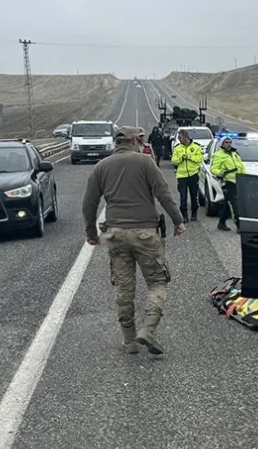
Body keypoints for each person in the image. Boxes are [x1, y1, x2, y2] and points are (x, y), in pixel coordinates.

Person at [82, 126, 186, 355]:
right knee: (157, 282)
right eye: (140, 140)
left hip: (116, 234)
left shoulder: (102, 167)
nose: (142, 143)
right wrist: (178, 221)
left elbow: (89, 202)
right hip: (145, 233)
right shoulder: (145, 162)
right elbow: (163, 193)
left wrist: (91, 232)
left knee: (124, 287)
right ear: (133, 141)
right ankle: (148, 330)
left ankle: (129, 340)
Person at [210, 135, 247, 231]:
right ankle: (239, 226)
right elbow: (213, 169)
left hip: (238, 182)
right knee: (234, 205)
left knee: (227, 205)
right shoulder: (218, 155)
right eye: (226, 142)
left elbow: (241, 167)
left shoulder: (235, 154)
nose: (228, 144)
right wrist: (220, 173)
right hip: (227, 183)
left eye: (230, 142)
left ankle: (221, 223)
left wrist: (246, 178)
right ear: (222, 144)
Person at [171, 129, 203, 222]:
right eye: (178, 137)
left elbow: (199, 159)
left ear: (185, 137)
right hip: (182, 176)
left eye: (180, 137)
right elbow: (174, 161)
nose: (179, 139)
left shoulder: (196, 147)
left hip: (193, 175)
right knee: (183, 197)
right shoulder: (177, 148)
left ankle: (194, 214)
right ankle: (184, 216)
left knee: (194, 196)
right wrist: (181, 158)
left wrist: (189, 157)